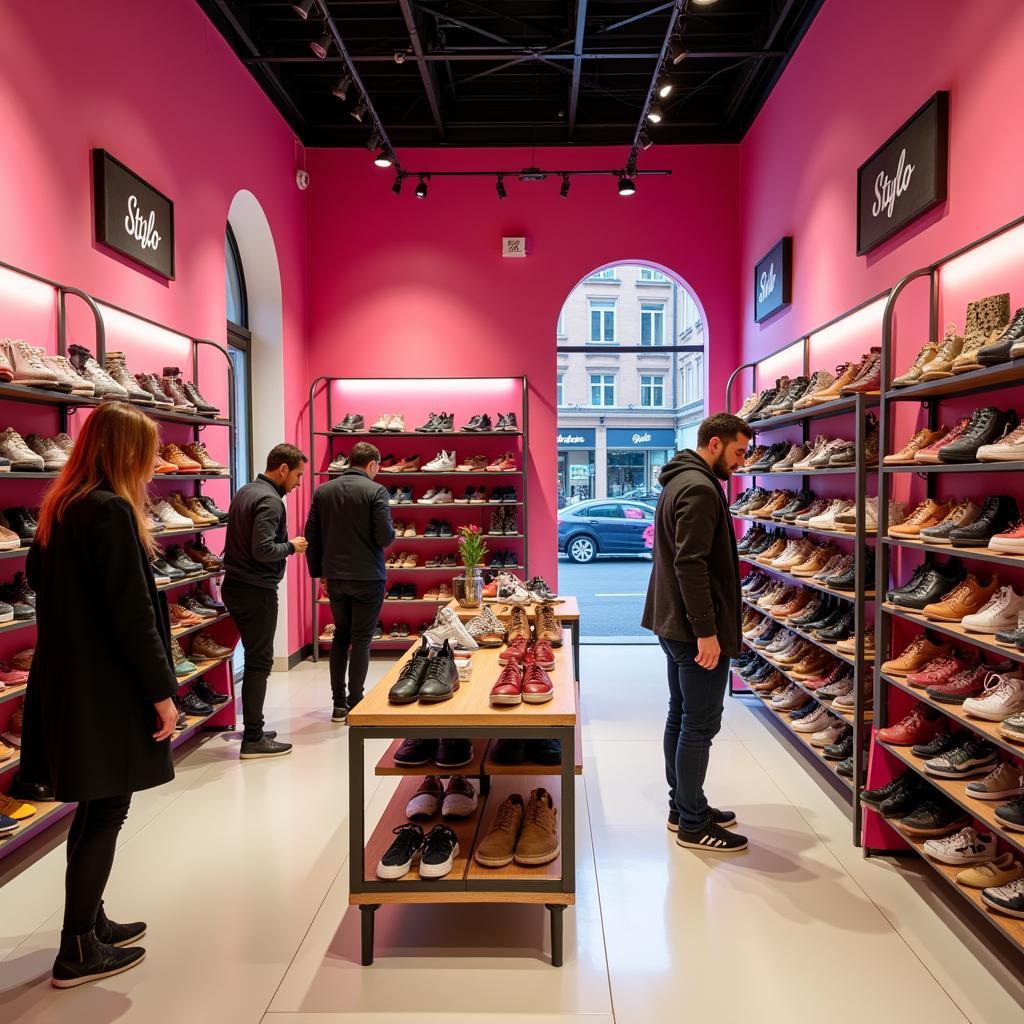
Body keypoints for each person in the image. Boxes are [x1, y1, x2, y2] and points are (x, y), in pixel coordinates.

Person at [21, 401, 179, 987]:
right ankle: (78, 950)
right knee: (108, 808)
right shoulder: (110, 511)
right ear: (123, 452)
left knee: (94, 807)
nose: (156, 462)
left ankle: (89, 922)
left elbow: (44, 585)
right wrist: (162, 691)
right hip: (106, 688)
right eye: (148, 450)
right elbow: (131, 614)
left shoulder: (61, 508)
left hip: (70, 680)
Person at [641, 412, 752, 853]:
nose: (741, 462)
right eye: (739, 452)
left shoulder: (678, 480)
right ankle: (692, 823)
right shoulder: (702, 489)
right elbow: (691, 564)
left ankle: (683, 805)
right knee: (699, 724)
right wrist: (707, 631)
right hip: (693, 630)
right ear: (714, 445)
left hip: (673, 622)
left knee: (681, 714)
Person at [222, 444, 308, 759]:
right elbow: (264, 549)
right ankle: (254, 739)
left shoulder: (246, 491)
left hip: (236, 585)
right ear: (283, 470)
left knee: (256, 660)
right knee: (260, 663)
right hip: (255, 590)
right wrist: (292, 546)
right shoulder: (271, 501)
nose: (299, 483)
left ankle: (254, 727)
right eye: (297, 475)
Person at [304, 441, 395, 722]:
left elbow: (311, 536)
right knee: (362, 639)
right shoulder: (375, 491)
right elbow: (385, 537)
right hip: (368, 576)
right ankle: (356, 702)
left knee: (341, 636)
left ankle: (338, 704)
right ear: (371, 465)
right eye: (378, 467)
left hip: (335, 578)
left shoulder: (323, 491)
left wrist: (318, 573)